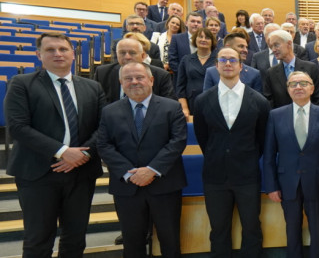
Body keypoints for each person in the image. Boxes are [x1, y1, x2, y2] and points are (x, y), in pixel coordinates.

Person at [5, 33, 105, 257]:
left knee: (75, 238)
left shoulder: (93, 87)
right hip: (38, 173)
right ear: (39, 54)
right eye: (50, 50)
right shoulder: (21, 84)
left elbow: (103, 128)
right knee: (38, 240)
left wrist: (82, 156)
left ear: (73, 53)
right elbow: (18, 127)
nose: (58, 54)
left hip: (81, 172)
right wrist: (62, 152)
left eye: (63, 49)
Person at [96, 62, 187, 258]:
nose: (134, 82)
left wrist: (152, 170)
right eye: (128, 79)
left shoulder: (172, 107)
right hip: (127, 187)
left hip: (165, 185)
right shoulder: (109, 111)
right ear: (121, 82)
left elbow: (177, 141)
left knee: (170, 241)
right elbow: (104, 145)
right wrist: (130, 172)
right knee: (132, 242)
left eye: (139, 77)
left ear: (151, 80)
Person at [192, 47, 269, 258]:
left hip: (247, 175)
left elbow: (261, 139)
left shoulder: (259, 101)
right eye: (223, 60)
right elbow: (202, 137)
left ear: (241, 66)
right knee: (218, 229)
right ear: (216, 65)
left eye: (232, 60)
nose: (227, 63)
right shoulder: (202, 101)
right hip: (215, 175)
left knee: (252, 227)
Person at [263, 71, 319, 258]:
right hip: (287, 183)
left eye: (304, 83)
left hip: (318, 183)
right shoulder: (275, 115)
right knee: (292, 229)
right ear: (287, 90)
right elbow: (269, 155)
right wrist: (271, 186)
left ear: (312, 88)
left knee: (318, 230)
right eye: (293, 84)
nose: (298, 87)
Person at [94, 38, 174, 102]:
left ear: (143, 56)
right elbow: (97, 103)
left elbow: (168, 105)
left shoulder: (161, 76)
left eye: (132, 53)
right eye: (122, 53)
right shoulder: (102, 73)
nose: (127, 57)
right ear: (117, 55)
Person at [262, 30, 319, 108]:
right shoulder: (271, 73)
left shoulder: (311, 68)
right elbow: (269, 102)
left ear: (289, 43)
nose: (273, 50)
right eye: (271, 46)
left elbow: (318, 99)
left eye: (276, 45)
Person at [176, 27, 217, 117]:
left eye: (207, 37)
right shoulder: (186, 59)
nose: (203, 39)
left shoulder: (219, 60)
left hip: (214, 103)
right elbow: (180, 87)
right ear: (195, 39)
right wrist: (184, 108)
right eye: (200, 37)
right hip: (192, 103)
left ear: (212, 41)